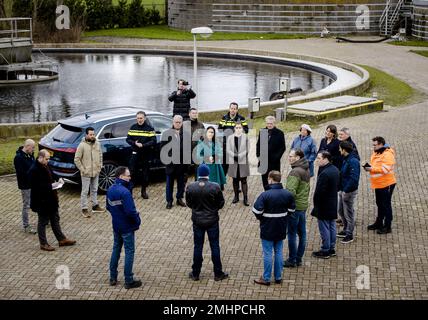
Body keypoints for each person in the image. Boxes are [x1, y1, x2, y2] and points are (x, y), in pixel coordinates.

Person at [185, 164, 229, 282]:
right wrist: (213, 209)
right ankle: (218, 273)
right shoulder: (215, 187)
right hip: (212, 220)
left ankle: (195, 273)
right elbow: (221, 203)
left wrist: (196, 209)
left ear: (198, 174)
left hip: (197, 221)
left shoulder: (191, 187)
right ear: (208, 173)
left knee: (198, 246)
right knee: (215, 246)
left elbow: (189, 203)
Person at [252, 171, 296, 286]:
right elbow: (291, 211)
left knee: (267, 253)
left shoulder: (265, 195)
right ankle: (278, 276)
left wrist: (262, 218)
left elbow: (257, 211)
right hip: (281, 227)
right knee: (279, 252)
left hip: (267, 228)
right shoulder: (288, 194)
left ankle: (266, 278)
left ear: (270, 179)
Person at [29, 150, 76, 251]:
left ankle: (61, 239)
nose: (48, 161)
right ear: (40, 158)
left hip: (51, 199)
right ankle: (43, 243)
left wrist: (59, 179)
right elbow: (37, 187)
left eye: (48, 159)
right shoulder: (34, 170)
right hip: (42, 201)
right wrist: (51, 186)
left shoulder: (45, 165)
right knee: (43, 222)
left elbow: (52, 174)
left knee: (55, 219)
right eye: (46, 159)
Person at [106, 166, 142, 289]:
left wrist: (117, 215)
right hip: (127, 227)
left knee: (116, 249)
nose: (130, 177)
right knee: (129, 252)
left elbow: (108, 207)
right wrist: (137, 218)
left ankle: (113, 277)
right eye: (128, 175)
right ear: (121, 177)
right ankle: (129, 280)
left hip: (116, 226)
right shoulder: (125, 192)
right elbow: (130, 212)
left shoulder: (110, 189)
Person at [364, 136, 397, 234]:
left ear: (381, 144)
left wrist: (371, 169)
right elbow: (376, 165)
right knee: (380, 204)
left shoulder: (387, 154)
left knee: (386, 205)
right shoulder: (377, 152)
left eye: (375, 145)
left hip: (387, 183)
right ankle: (379, 223)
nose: (373, 147)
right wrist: (369, 167)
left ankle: (387, 226)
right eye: (373, 145)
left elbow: (385, 170)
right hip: (378, 183)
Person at [284, 148, 310, 268]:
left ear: (298, 158)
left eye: (291, 156)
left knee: (292, 234)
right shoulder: (306, 168)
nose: (289, 158)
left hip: (295, 207)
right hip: (303, 205)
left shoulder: (295, 172)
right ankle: (298, 258)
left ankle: (292, 259)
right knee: (302, 233)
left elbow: (290, 192)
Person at [311, 151, 339, 259]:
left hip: (323, 205)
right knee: (331, 225)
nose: (317, 160)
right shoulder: (335, 169)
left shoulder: (324, 174)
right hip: (332, 202)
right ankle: (331, 248)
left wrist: (316, 206)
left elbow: (319, 192)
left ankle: (325, 249)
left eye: (319, 158)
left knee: (324, 228)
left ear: (325, 159)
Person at [74, 127, 104, 218]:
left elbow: (100, 155)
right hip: (86, 173)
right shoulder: (81, 145)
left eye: (93, 134)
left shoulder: (97, 144)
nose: (92, 136)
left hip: (96, 171)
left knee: (94, 189)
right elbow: (77, 159)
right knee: (85, 191)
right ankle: (84, 208)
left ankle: (95, 206)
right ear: (86, 135)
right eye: (90, 134)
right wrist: (83, 170)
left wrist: (99, 166)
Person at [126, 111, 157, 199]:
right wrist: (134, 143)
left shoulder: (149, 128)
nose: (139, 120)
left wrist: (143, 145)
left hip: (145, 154)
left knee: (145, 174)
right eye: (138, 118)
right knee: (132, 173)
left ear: (145, 118)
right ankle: (130, 192)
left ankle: (143, 191)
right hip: (135, 154)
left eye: (141, 118)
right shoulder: (133, 127)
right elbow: (127, 139)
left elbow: (154, 141)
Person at [161, 115, 188, 209]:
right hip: (170, 164)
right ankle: (169, 201)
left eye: (179, 122)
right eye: (176, 122)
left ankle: (179, 199)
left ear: (182, 123)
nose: (178, 124)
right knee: (169, 185)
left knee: (181, 183)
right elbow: (163, 149)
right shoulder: (166, 134)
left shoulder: (186, 134)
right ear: (173, 122)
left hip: (181, 164)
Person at [337, 141, 360, 244]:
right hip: (343, 190)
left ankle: (349, 234)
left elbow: (354, 179)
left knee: (349, 213)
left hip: (349, 192)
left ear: (344, 150)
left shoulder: (353, 161)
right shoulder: (346, 159)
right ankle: (346, 229)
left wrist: (346, 190)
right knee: (341, 211)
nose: (339, 150)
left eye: (340, 148)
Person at [256, 116, 286, 191]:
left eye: (271, 124)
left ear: (274, 123)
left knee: (274, 181)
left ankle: (274, 194)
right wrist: (258, 155)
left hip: (274, 163)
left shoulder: (280, 133)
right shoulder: (262, 131)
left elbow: (282, 148)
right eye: (268, 123)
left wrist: (276, 157)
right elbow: (258, 144)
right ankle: (267, 194)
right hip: (263, 162)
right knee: (265, 181)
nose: (269, 125)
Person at [13, 138, 37, 234]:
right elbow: (21, 173)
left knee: (38, 201)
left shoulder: (30, 155)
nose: (34, 150)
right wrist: (32, 173)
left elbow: (34, 165)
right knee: (26, 205)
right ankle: (26, 225)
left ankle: (44, 220)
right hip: (25, 185)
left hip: (33, 183)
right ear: (27, 146)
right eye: (32, 148)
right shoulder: (18, 158)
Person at [218, 102, 249, 174]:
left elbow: (246, 130)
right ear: (229, 108)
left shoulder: (241, 118)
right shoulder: (224, 118)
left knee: (235, 167)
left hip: (236, 146)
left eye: (234, 109)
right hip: (226, 145)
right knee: (224, 166)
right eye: (231, 108)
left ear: (237, 110)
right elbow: (219, 130)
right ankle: (222, 183)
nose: (233, 110)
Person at [227, 122, 250, 206]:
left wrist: (240, 155)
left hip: (243, 161)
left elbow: (247, 149)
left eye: (240, 127)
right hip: (233, 161)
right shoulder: (230, 138)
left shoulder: (245, 137)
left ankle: (245, 198)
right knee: (235, 180)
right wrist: (234, 155)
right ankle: (236, 196)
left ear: (242, 129)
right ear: (234, 129)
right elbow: (228, 149)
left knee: (244, 180)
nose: (238, 129)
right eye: (236, 127)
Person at [183, 107, 205, 181]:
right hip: (186, 151)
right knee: (185, 171)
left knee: (198, 170)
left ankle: (197, 187)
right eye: (193, 113)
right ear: (189, 114)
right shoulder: (184, 124)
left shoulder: (200, 125)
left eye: (196, 113)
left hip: (197, 151)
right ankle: (183, 187)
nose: (195, 114)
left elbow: (204, 137)